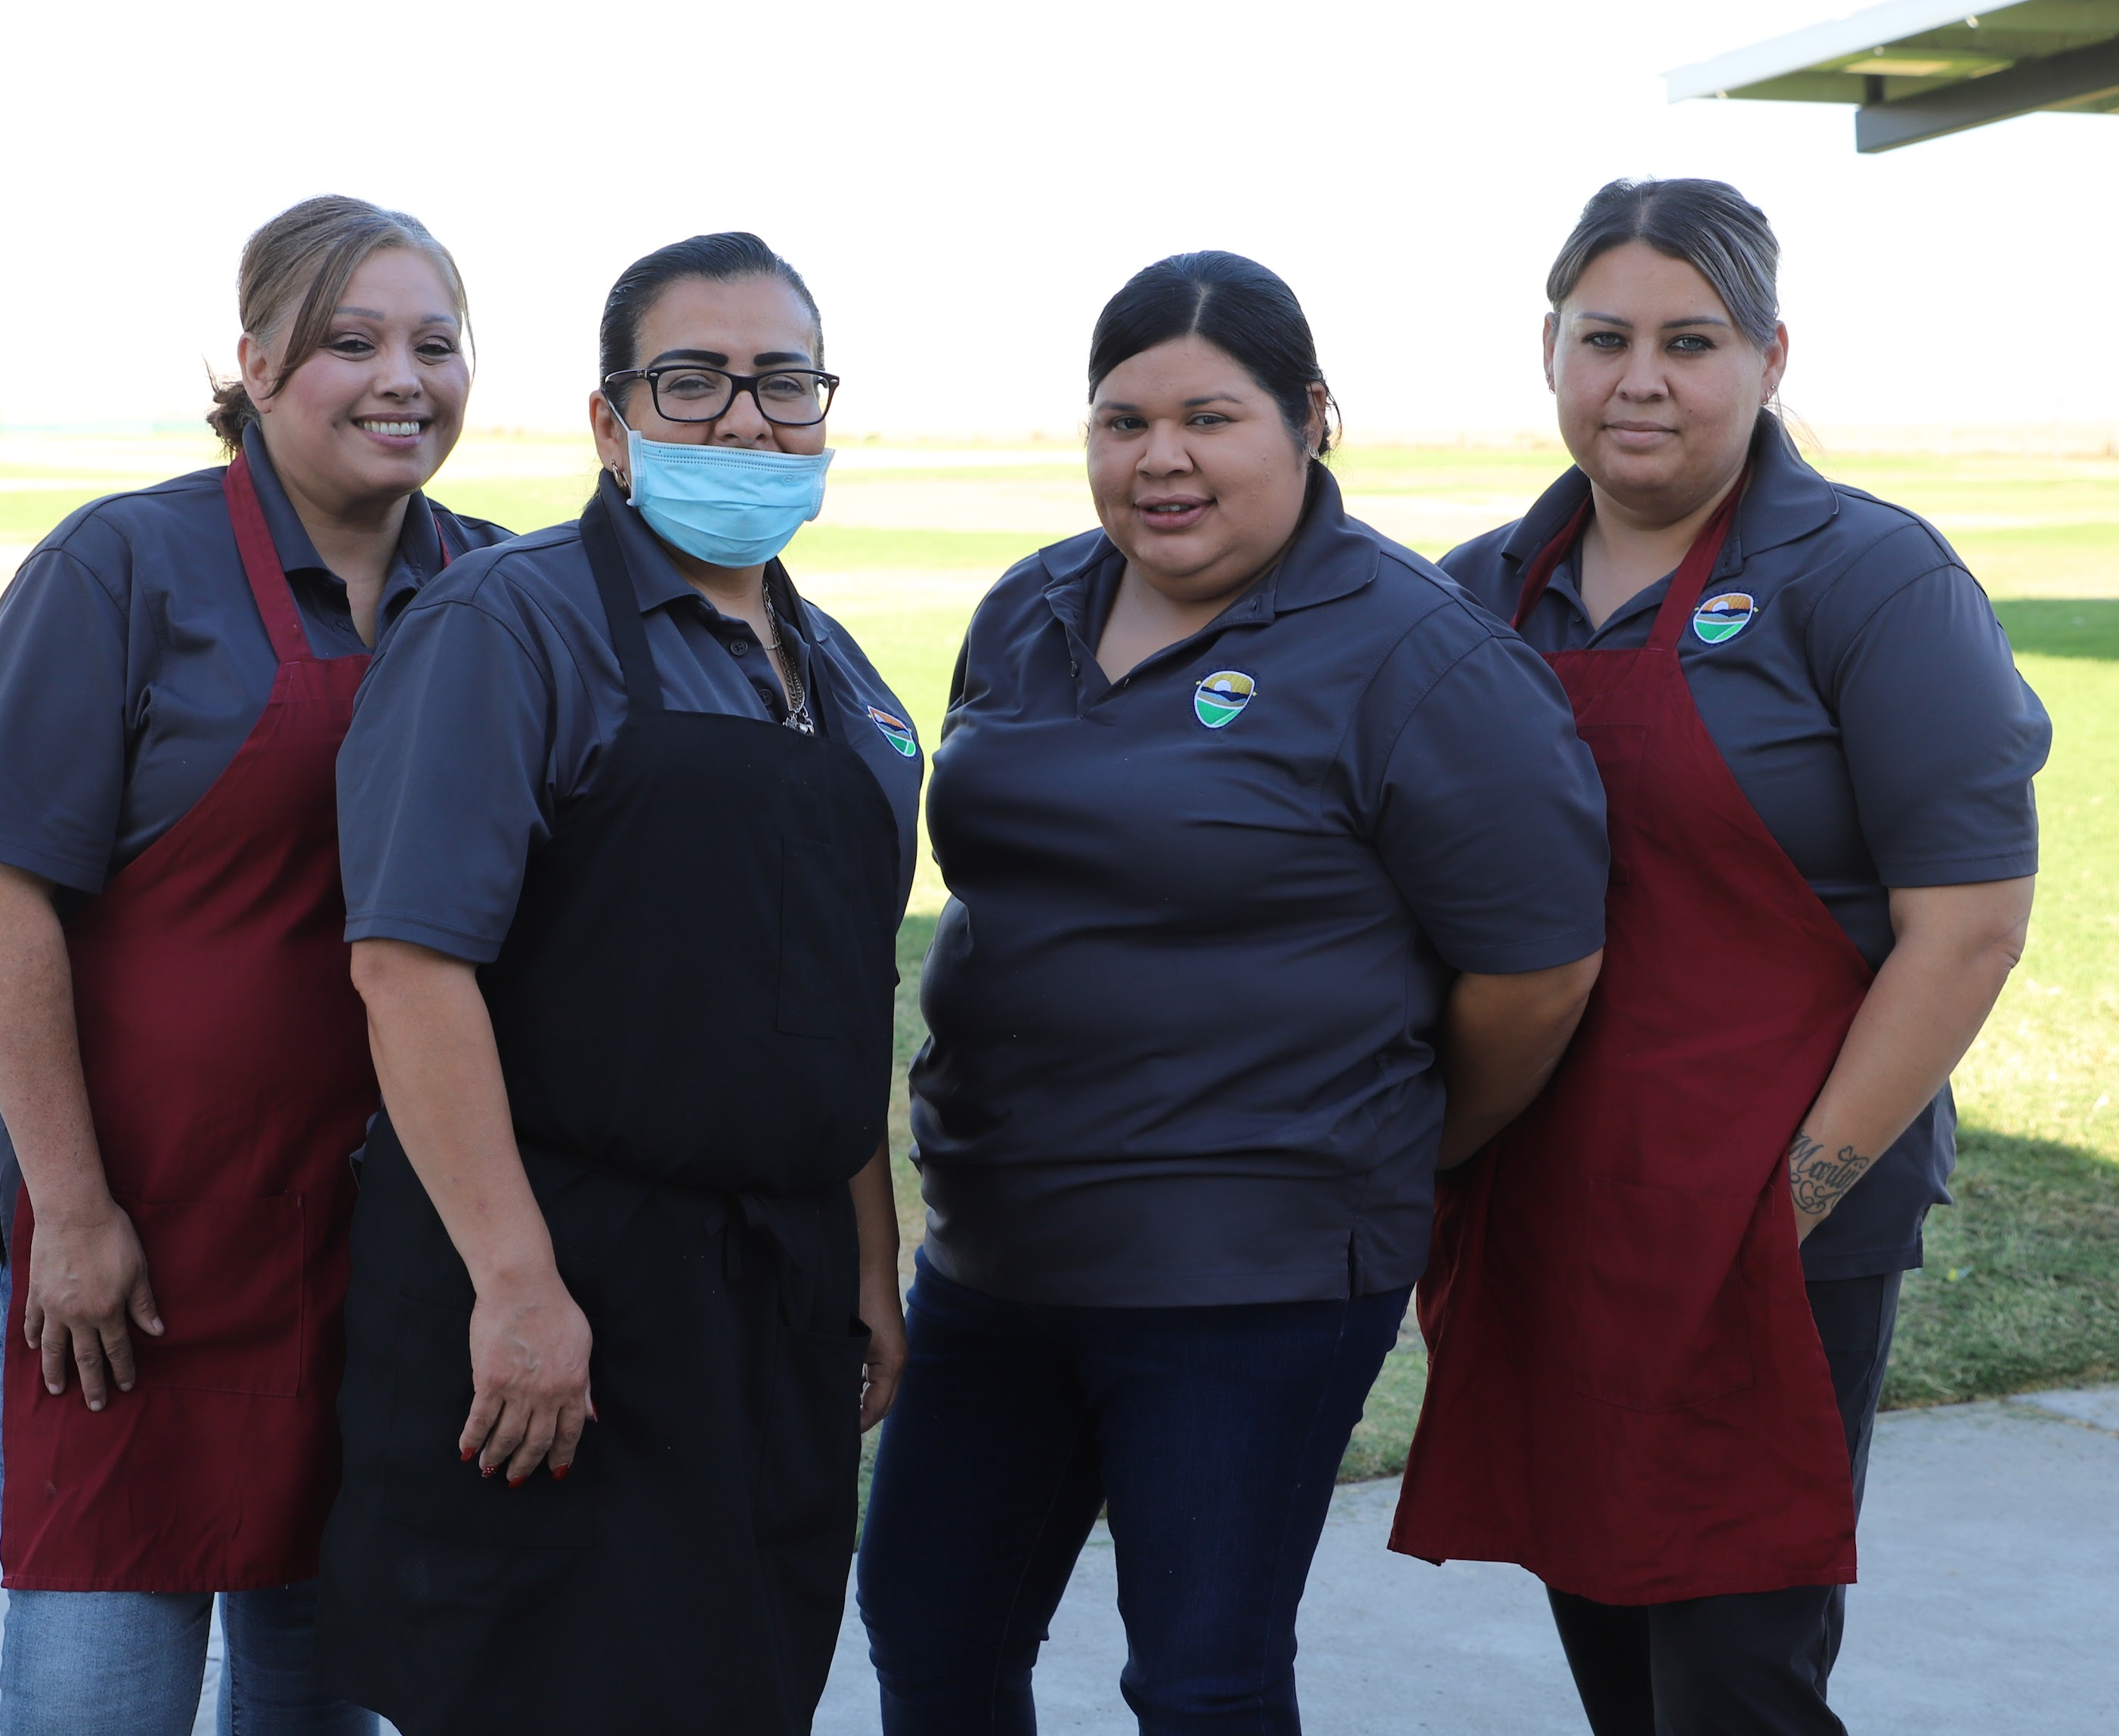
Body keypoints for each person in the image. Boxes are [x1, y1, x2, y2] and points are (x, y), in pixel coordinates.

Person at [855, 251, 1612, 1734]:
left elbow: (1536, 970)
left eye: (1209, 417)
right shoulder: (1030, 610)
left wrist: (1401, 1137)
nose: (1160, 460)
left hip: (1247, 1271)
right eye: (1121, 422)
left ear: (1309, 418)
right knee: (927, 1625)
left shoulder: (1415, 657)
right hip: (1001, 1247)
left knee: (1197, 1675)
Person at [1390, 178, 2052, 1736]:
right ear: (1546, 349)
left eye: (1688, 341)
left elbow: (1967, 928)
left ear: (1766, 354)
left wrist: (1790, 1197)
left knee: (1737, 1681)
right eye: (1602, 335)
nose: (1640, 378)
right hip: (1552, 1202)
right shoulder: (1475, 592)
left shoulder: (1869, 581)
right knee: (1607, 1636)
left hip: (1776, 1220)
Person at [316, 231, 922, 1736]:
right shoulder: (507, 629)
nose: (742, 418)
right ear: (609, 422)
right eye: (691, 380)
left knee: (746, 1684)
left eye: (782, 383)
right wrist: (519, 1290)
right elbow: (408, 966)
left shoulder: (844, 684)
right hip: (561, 1279)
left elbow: (835, 995)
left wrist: (866, 1262)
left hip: (771, 1308)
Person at [0, 195, 503, 1734]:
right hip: (142, 1245)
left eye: (434, 344)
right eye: (349, 341)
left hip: (386, 1251)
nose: (402, 378)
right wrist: (74, 1211)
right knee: (100, 1672)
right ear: (251, 362)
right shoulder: (123, 567)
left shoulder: (502, 594)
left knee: (322, 1677)